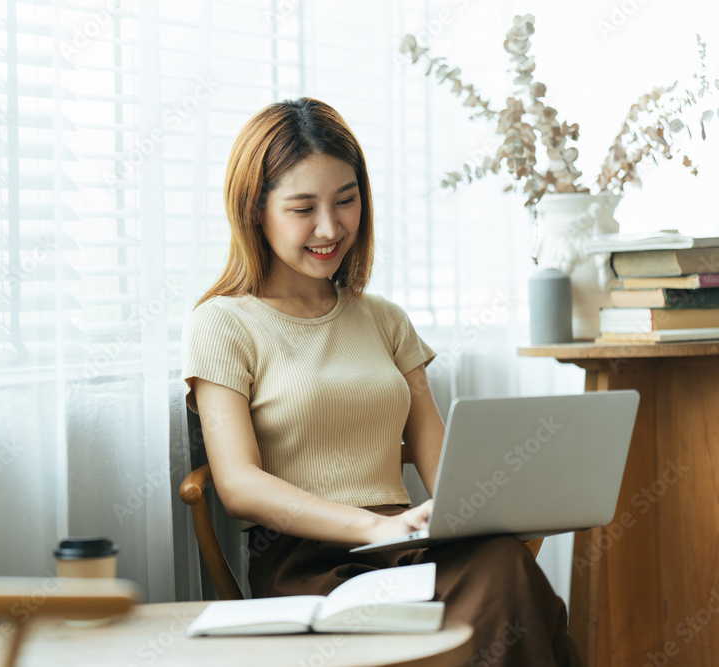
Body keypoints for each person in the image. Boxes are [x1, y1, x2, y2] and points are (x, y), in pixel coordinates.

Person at [181, 97, 584, 667]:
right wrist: (371, 526)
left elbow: (442, 460)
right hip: (308, 561)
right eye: (303, 208)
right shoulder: (221, 322)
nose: (330, 227)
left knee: (500, 559)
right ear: (255, 211)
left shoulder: (385, 318)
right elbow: (240, 484)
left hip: (403, 546)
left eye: (346, 201)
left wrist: (493, 510)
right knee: (509, 584)